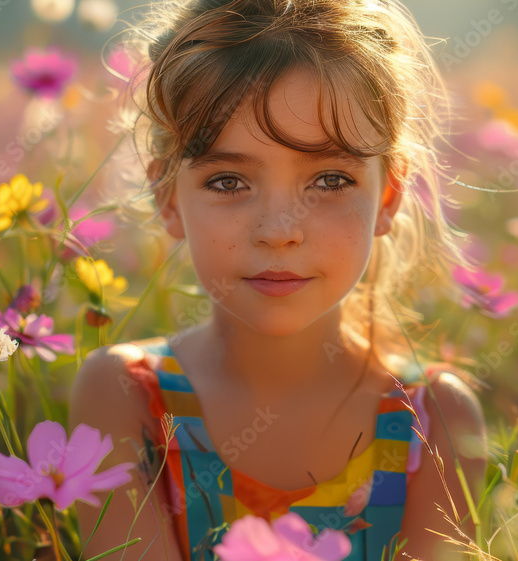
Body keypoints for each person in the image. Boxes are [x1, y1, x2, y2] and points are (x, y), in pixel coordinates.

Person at [70, 0, 487, 559]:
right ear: (168, 196)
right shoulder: (124, 396)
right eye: (227, 182)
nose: (277, 231)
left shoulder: (435, 421)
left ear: (388, 196)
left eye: (331, 179)